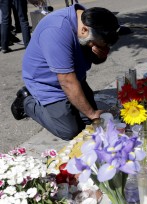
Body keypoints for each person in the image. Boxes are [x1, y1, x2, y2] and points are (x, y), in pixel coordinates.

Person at [11, 4, 120, 140]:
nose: (95, 46)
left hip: (74, 77)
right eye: (94, 44)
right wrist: (92, 114)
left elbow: (92, 59)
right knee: (70, 131)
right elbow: (67, 80)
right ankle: (26, 101)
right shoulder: (56, 30)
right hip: (48, 83)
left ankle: (71, 108)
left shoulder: (90, 20)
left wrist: (101, 54)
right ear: (84, 30)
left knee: (87, 121)